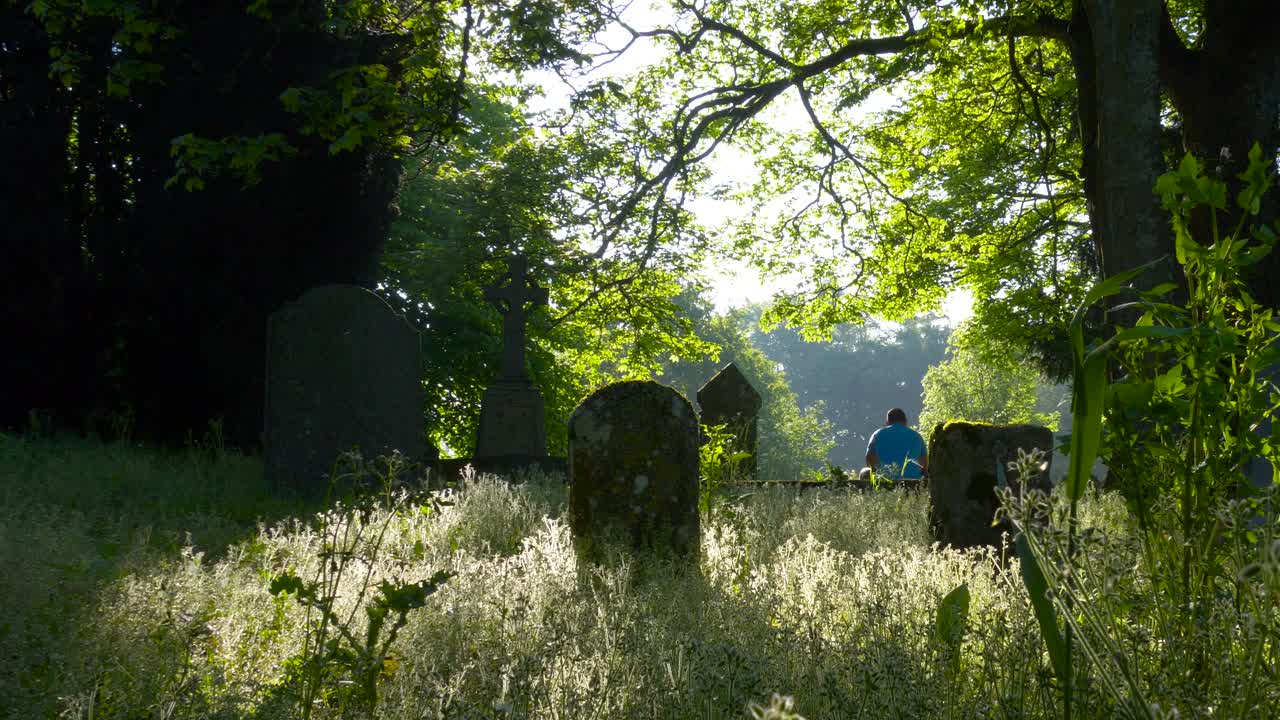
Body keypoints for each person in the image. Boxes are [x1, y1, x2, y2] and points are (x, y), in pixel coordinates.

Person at [864, 408, 928, 481]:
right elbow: (924, 464)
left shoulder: (877, 434)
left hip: (885, 480)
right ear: (905, 421)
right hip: (913, 480)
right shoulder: (917, 436)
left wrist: (876, 471)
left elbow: (869, 459)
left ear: (887, 422)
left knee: (865, 472)